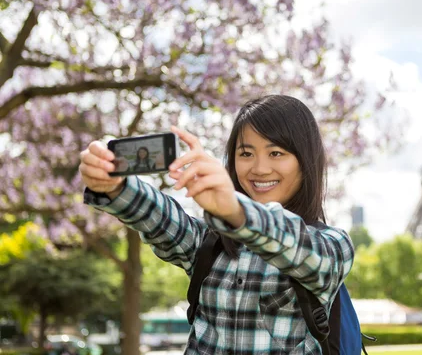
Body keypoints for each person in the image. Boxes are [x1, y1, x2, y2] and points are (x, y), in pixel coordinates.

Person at [79, 95, 355, 354]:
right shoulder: (210, 244)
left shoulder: (332, 246)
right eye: (246, 154)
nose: (259, 168)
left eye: (276, 153)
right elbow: (159, 216)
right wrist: (114, 185)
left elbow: (292, 244)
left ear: (305, 162)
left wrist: (234, 209)